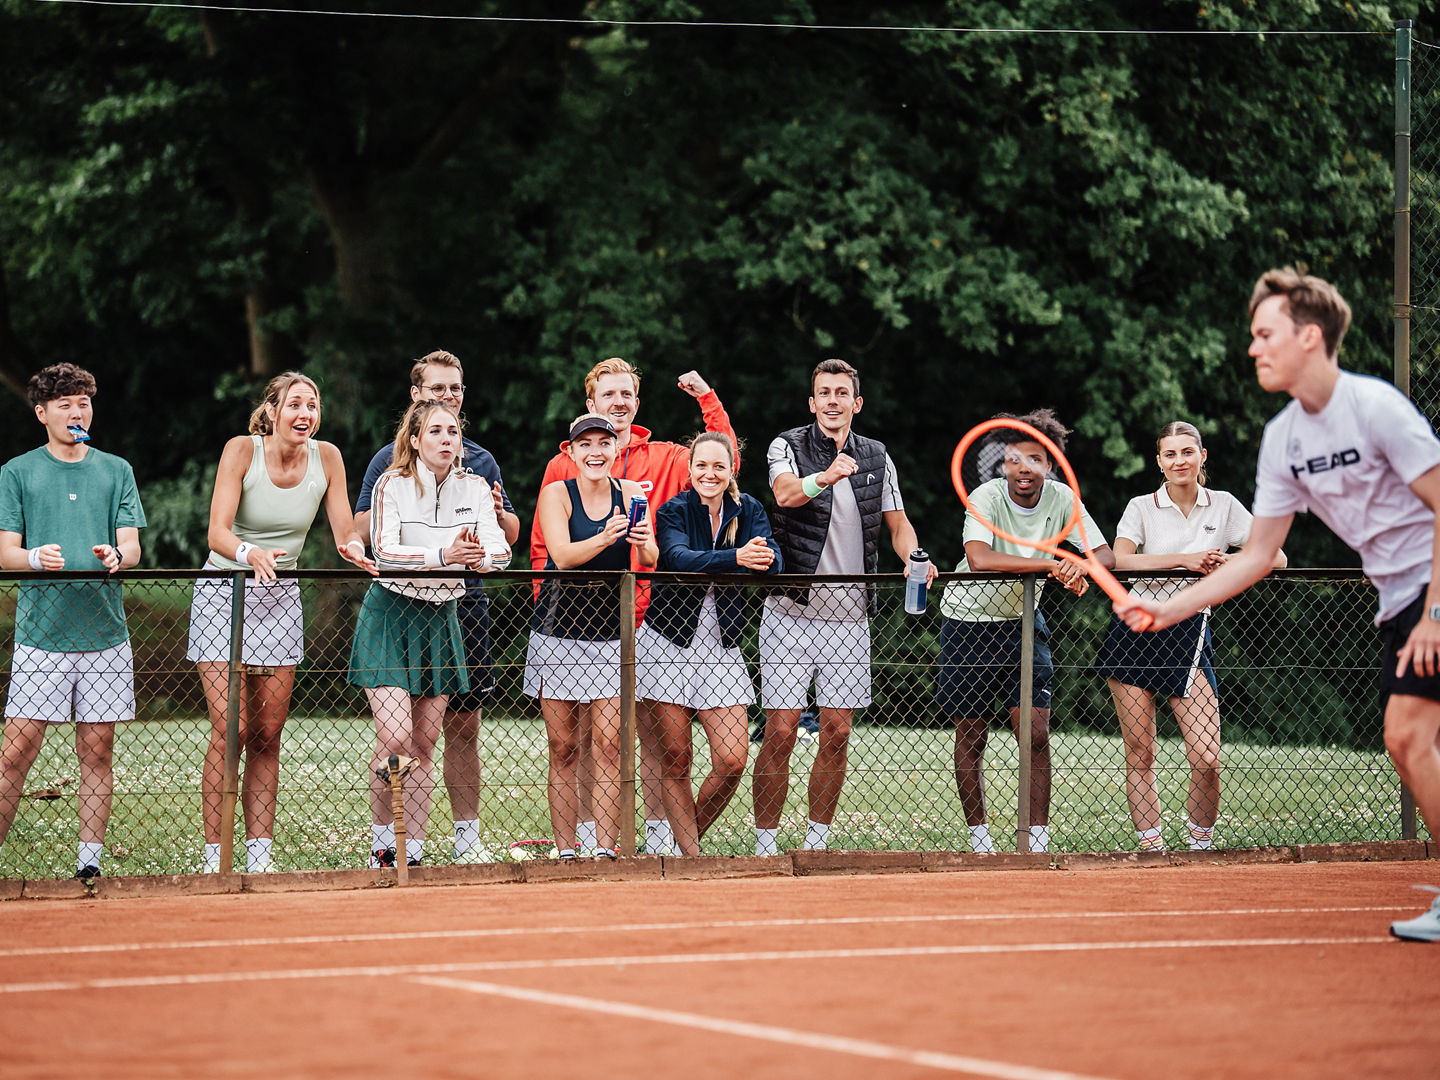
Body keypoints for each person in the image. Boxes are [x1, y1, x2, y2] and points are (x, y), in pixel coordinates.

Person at [1116, 267, 1440, 942]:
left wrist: (1434, 611)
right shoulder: (1283, 439)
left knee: (1409, 738)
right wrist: (1167, 611)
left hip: (1428, 590)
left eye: (1266, 335)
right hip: (1401, 597)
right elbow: (1260, 557)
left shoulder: (1375, 407)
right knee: (1409, 742)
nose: (1253, 348)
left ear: (1310, 337)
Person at [530, 357, 736, 856]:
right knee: (573, 740)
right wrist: (547, 603)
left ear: (637, 403)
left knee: (640, 739)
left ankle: (656, 835)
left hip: (652, 618)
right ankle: (574, 843)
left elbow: (722, 461)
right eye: (608, 395)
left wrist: (708, 399)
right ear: (591, 404)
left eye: (626, 395)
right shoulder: (562, 467)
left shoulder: (665, 457)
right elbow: (545, 545)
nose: (618, 403)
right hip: (577, 619)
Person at [189, 372, 375, 873]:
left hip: (279, 598)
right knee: (232, 728)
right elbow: (216, 533)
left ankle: (259, 855)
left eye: (312, 405)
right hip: (223, 593)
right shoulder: (241, 451)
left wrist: (357, 552)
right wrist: (250, 554)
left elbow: (343, 531)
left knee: (268, 732)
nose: (304, 414)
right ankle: (215, 856)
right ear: (271, 411)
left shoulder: (328, 457)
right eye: (294, 404)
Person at [753, 358, 936, 856]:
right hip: (790, 613)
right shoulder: (786, 445)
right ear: (812, 404)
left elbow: (898, 524)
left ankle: (816, 844)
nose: (832, 401)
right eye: (823, 393)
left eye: (842, 393)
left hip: (850, 618)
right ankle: (766, 845)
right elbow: (786, 495)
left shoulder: (878, 455)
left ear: (856, 403)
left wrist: (914, 557)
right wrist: (828, 475)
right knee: (782, 730)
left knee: (836, 732)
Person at [354, 350, 520, 864]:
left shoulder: (477, 480)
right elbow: (384, 549)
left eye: (453, 431)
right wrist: (444, 555)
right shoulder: (391, 481)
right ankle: (384, 841)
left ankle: (412, 851)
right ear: (416, 434)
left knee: (424, 745)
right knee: (397, 739)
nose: (447, 439)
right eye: (437, 431)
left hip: (445, 616)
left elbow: (502, 548)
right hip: (392, 614)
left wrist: (480, 559)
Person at [1096, 421, 1285, 853]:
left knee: (1207, 757)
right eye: (1169, 454)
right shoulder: (1141, 506)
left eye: (1187, 452)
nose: (1179, 461)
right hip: (1136, 627)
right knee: (1140, 751)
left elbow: (1275, 555)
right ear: (1159, 461)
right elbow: (1121, 561)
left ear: (1202, 456)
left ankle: (1199, 847)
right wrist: (1185, 560)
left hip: (1190, 630)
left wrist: (1227, 564)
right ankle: (1152, 849)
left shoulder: (1225, 506)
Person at [937, 409, 1114, 855]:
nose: (1024, 469)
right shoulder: (986, 495)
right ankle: (981, 841)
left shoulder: (1062, 499)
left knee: (1034, 733)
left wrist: (1079, 564)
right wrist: (1053, 565)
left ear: (1050, 464)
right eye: (1015, 459)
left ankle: (1035, 842)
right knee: (972, 735)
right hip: (968, 623)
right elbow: (980, 558)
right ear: (1003, 464)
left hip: (1022, 626)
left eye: (1034, 459)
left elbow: (1106, 555)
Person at [0, 363, 146, 880]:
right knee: (17, 751)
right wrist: (35, 558)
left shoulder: (116, 469)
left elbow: (132, 544)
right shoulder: (17, 471)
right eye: (64, 404)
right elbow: (5, 554)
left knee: (97, 750)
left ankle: (89, 866)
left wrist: (117, 556)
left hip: (105, 634)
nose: (76, 411)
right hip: (41, 637)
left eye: (83, 401)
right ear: (42, 413)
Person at [640, 432, 782, 855]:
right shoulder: (673, 510)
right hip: (666, 646)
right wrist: (736, 558)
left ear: (731, 470)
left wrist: (764, 558)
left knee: (732, 760)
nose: (710, 473)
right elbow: (679, 559)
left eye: (719, 466)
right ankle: (693, 861)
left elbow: (774, 557)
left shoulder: (749, 509)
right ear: (690, 469)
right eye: (702, 465)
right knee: (676, 759)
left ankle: (685, 844)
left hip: (722, 649)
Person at [525, 413, 657, 859]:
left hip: (611, 634)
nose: (596, 451)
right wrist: (605, 538)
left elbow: (651, 555)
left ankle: (604, 850)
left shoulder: (634, 494)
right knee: (564, 747)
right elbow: (561, 556)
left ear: (616, 448)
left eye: (604, 442)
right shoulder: (555, 493)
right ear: (572, 451)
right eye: (586, 444)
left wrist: (640, 540)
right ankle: (566, 852)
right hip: (558, 630)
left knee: (609, 745)